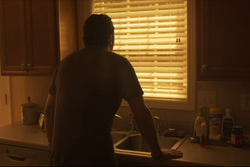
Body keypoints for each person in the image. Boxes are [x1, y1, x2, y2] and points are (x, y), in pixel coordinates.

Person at [43, 14, 183, 166]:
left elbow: (49, 111)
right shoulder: (119, 64)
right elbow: (141, 114)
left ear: (84, 38)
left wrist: (52, 145)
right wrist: (157, 153)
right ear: (111, 38)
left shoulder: (64, 64)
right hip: (95, 158)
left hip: (60, 158)